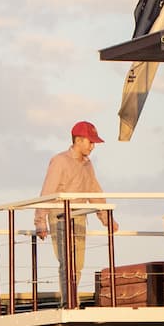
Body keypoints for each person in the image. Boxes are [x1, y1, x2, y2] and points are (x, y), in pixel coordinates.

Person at [34, 120, 119, 292]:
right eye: (91, 141)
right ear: (78, 140)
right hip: (60, 215)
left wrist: (106, 219)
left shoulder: (88, 165)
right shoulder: (59, 161)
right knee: (67, 261)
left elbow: (94, 193)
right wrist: (40, 221)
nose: (93, 146)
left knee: (78, 263)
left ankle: (71, 298)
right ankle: (68, 302)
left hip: (80, 215)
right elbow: (48, 191)